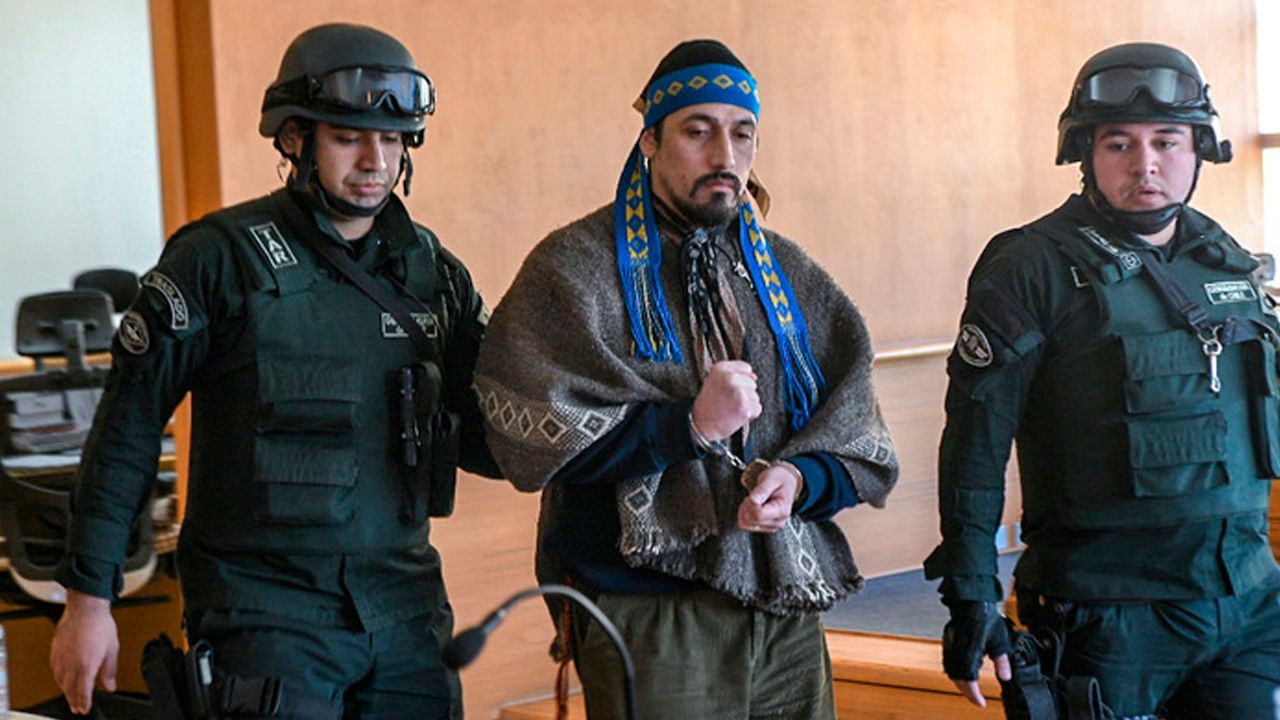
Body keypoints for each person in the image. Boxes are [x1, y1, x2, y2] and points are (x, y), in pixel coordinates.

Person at [49, 23, 498, 719]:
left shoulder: (433, 274)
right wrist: (89, 598)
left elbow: (491, 432)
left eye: (392, 139)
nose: (375, 160)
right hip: (264, 611)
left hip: (405, 609)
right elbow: (127, 429)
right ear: (294, 138)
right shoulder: (216, 259)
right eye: (348, 138)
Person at [474, 39, 899, 719]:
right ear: (650, 141)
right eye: (698, 132)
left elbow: (861, 437)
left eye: (742, 134)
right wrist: (689, 425)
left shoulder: (791, 275)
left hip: (786, 603)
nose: (724, 155)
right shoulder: (572, 269)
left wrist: (802, 480)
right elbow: (524, 440)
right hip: (648, 612)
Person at [924, 41, 1280, 720]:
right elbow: (975, 442)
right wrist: (971, 595)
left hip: (1248, 604)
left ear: (1200, 150)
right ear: (1084, 153)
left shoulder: (1226, 262)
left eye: (1167, 141)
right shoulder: (1030, 267)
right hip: (1107, 616)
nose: (1146, 164)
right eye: (1120, 144)